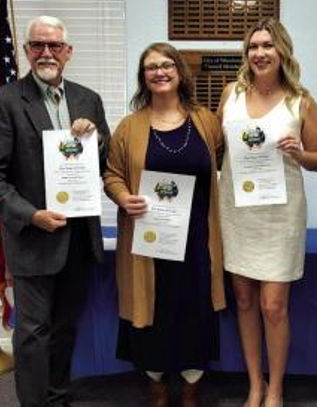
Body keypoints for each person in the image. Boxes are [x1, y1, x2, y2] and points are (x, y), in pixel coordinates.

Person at [0, 15, 110, 407]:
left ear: (68, 52)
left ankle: (58, 397)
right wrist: (31, 215)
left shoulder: (88, 99)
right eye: (37, 46)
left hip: (79, 238)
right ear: (28, 52)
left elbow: (103, 161)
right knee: (33, 332)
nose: (46, 53)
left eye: (54, 46)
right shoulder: (3, 102)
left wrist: (94, 141)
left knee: (66, 328)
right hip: (33, 238)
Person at [103, 42, 226, 407]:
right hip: (149, 240)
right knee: (152, 312)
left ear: (179, 71)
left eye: (167, 64)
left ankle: (190, 387)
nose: (160, 71)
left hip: (197, 241)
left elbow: (218, 163)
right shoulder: (129, 127)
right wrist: (124, 197)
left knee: (194, 311)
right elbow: (112, 174)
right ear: (144, 77)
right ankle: (156, 386)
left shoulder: (205, 121)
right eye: (151, 67)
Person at [217, 18, 317, 407]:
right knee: (244, 301)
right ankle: (254, 385)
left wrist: (299, 152)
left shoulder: (302, 101)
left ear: (282, 51)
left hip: (280, 215)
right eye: (253, 46)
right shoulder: (230, 94)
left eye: (267, 45)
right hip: (237, 210)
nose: (259, 53)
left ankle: (276, 388)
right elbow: (216, 150)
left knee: (273, 305)